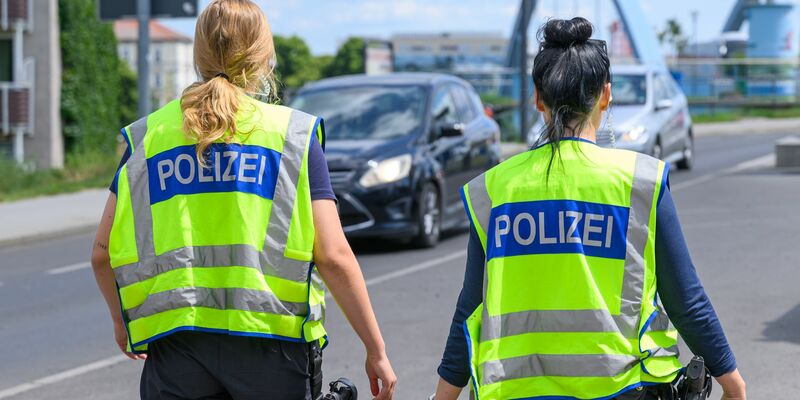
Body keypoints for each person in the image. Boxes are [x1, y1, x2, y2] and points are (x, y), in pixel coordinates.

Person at [89, 1, 397, 399]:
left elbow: (101, 255)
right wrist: (376, 350)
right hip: (272, 350)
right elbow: (334, 256)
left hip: (179, 347)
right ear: (264, 56)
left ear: (199, 56)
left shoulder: (147, 136)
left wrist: (122, 322)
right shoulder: (292, 136)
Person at [433, 18, 746, 400]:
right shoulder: (640, 182)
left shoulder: (494, 189)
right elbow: (686, 301)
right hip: (626, 387)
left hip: (517, 390)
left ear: (537, 98)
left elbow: (470, 307)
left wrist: (444, 394)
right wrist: (732, 380)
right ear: (605, 96)